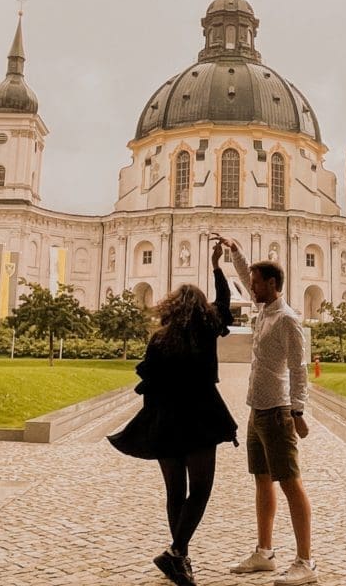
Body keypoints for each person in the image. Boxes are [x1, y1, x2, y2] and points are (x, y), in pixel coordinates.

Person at [107, 243, 238, 586]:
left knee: (175, 492)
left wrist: (152, 421)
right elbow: (223, 304)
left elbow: (148, 382)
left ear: (172, 307)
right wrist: (217, 268)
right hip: (199, 417)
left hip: (165, 420)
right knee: (202, 488)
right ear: (201, 310)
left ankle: (180, 557)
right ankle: (177, 553)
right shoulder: (206, 331)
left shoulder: (159, 340)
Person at [215, 235, 317, 586]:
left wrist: (298, 411)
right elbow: (245, 277)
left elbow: (299, 368)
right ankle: (265, 552)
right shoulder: (263, 310)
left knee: (290, 483)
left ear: (272, 285)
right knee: (262, 480)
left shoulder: (287, 319)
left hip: (278, 411)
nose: (251, 289)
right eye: (252, 283)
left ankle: (306, 561)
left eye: (257, 284)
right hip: (256, 411)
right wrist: (235, 251)